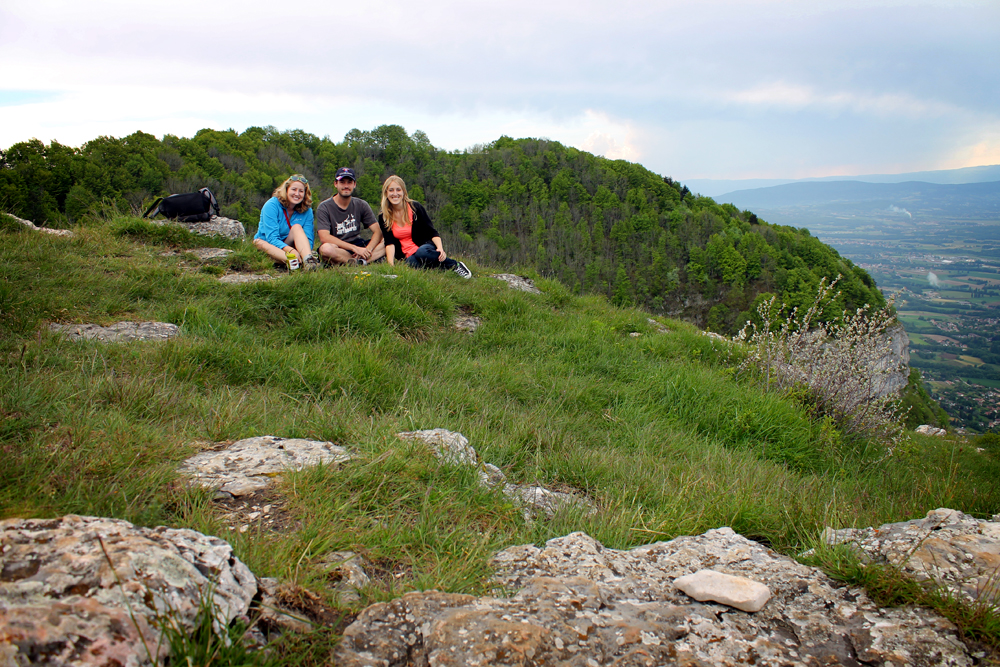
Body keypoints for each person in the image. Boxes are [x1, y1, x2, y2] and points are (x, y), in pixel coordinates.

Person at [376, 175, 472, 278]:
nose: (395, 194)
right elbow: (389, 243)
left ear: (404, 192)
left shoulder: (415, 208)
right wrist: (391, 266)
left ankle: (455, 265)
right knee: (411, 264)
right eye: (391, 190)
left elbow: (431, 231)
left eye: (398, 190)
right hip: (408, 255)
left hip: (424, 247)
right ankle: (440, 269)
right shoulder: (384, 216)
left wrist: (440, 248)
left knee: (422, 253)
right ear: (386, 193)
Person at [316, 167, 385, 265]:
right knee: (325, 249)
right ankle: (363, 261)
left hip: (359, 243)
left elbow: (378, 231)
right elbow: (324, 237)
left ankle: (360, 261)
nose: (346, 186)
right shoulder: (324, 207)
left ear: (354, 184)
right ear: (336, 184)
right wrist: (354, 248)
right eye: (342, 182)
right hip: (339, 247)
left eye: (349, 182)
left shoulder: (361, 204)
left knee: (388, 239)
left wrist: (367, 250)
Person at [253, 174, 319, 269]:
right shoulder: (272, 205)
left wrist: (300, 250)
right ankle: (294, 262)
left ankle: (308, 261)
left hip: (290, 245)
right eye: (294, 189)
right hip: (270, 246)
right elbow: (272, 238)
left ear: (305, 194)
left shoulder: (307, 211)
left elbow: (309, 240)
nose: (297, 194)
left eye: (301, 191)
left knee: (297, 227)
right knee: (258, 242)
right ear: (286, 190)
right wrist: (291, 250)